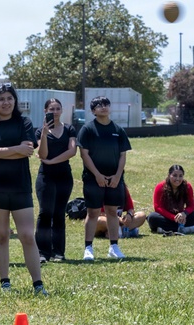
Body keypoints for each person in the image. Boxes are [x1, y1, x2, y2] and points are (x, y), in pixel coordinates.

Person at [0, 84, 47, 294]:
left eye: (9, 98)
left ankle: (38, 284)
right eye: (1, 99)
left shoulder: (24, 122)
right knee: (1, 236)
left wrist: (5, 151)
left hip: (20, 187)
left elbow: (27, 150)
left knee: (27, 235)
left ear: (15, 101)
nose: (6, 102)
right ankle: (5, 282)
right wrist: (15, 149)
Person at [77, 95, 131, 261]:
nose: (103, 107)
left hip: (115, 179)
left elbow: (123, 155)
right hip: (93, 178)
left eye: (106, 104)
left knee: (112, 212)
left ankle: (114, 247)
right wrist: (97, 175)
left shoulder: (118, 130)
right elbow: (84, 154)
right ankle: (88, 248)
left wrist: (117, 176)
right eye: (99, 105)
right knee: (93, 213)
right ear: (93, 111)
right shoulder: (87, 129)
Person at [35, 98, 76, 262]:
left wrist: (53, 161)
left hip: (64, 176)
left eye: (58, 108)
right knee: (45, 213)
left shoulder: (69, 128)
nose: (55, 111)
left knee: (59, 213)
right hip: (45, 176)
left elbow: (72, 151)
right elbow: (42, 154)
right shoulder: (39, 131)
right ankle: (42, 252)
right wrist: (45, 133)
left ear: (62, 111)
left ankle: (58, 251)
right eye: (51, 109)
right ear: (45, 111)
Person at [148, 164, 194, 235]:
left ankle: (166, 229)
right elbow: (157, 208)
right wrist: (174, 218)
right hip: (166, 217)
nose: (178, 179)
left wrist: (184, 213)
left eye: (180, 176)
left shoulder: (187, 187)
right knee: (152, 217)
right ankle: (184, 229)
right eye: (175, 175)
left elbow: (191, 205)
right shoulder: (160, 187)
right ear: (169, 175)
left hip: (181, 216)